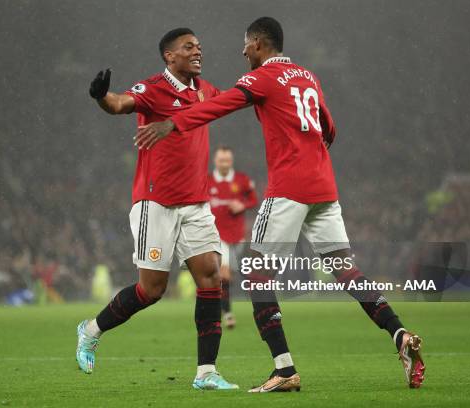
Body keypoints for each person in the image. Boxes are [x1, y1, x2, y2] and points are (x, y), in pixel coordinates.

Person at [135, 17, 425, 392]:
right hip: (325, 188)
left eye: (245, 45)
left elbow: (219, 106)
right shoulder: (307, 75)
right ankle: (399, 333)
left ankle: (284, 370)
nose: (242, 52)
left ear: (258, 44)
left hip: (289, 189)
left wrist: (174, 124)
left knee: (256, 274)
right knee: (346, 272)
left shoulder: (261, 79)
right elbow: (329, 128)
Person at [76, 28, 238, 390]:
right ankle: (91, 330)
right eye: (188, 47)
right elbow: (118, 104)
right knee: (151, 290)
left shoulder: (205, 90)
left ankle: (206, 372)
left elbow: (234, 99)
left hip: (196, 204)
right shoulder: (152, 89)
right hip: (156, 204)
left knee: (210, 278)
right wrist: (101, 97)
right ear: (169, 56)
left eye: (198, 45)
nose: (198, 50)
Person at [208, 146, 257, 328]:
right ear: (215, 161)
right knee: (224, 275)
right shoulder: (207, 181)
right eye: (221, 160)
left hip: (238, 236)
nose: (224, 164)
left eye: (227, 160)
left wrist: (242, 204)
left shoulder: (241, 180)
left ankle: (254, 309)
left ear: (231, 161)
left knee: (243, 275)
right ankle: (228, 314)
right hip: (217, 236)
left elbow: (253, 199)